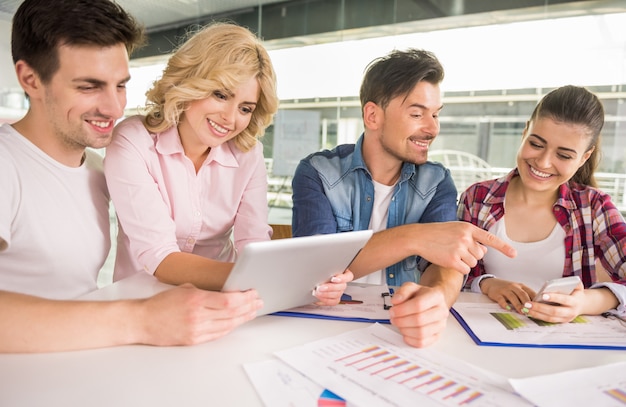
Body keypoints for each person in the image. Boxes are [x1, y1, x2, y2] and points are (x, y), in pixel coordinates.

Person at [0, 0, 263, 353]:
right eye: (88, 86)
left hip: (86, 355)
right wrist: (141, 318)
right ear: (30, 80)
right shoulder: (6, 163)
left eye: (120, 85)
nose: (114, 108)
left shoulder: (94, 169)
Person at [103, 22, 349, 305]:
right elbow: (160, 257)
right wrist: (262, 278)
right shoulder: (133, 141)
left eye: (245, 108)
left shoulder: (247, 153)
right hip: (140, 304)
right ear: (191, 82)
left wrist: (310, 283)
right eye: (220, 95)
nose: (230, 119)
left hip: (223, 302)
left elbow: (253, 242)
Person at [291, 48, 516, 347]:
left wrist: (436, 299)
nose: (432, 128)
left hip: (399, 332)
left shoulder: (437, 181)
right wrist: (415, 238)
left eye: (435, 114)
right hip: (325, 327)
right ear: (373, 115)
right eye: (417, 113)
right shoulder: (317, 172)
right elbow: (315, 268)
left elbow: (444, 264)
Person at [458, 85, 626, 323]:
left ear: (584, 157)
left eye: (564, 155)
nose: (544, 162)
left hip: (563, 348)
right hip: (481, 337)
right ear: (525, 131)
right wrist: (486, 284)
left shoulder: (594, 207)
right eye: (536, 144)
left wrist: (585, 302)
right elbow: (449, 273)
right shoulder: (477, 198)